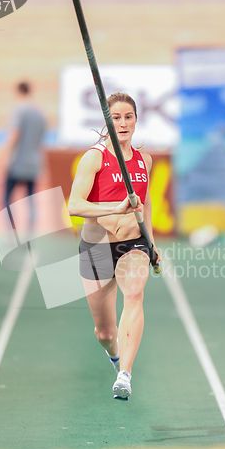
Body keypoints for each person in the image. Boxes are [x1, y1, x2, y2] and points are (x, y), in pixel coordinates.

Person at [68, 92, 160, 400]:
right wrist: (115, 208)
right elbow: (74, 205)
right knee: (105, 333)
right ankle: (115, 354)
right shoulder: (94, 157)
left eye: (128, 117)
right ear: (107, 121)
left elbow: (144, 204)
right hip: (96, 245)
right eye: (116, 118)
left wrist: (152, 243)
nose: (122, 123)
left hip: (132, 243)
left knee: (134, 293)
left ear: (136, 119)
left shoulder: (144, 160)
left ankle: (125, 375)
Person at [3, 81, 47, 231]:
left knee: (7, 197)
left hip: (17, 162)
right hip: (34, 163)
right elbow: (41, 138)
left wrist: (5, 154)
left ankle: (11, 231)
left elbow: (15, 134)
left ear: (19, 92)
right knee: (30, 199)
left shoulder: (19, 110)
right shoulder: (40, 113)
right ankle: (31, 231)